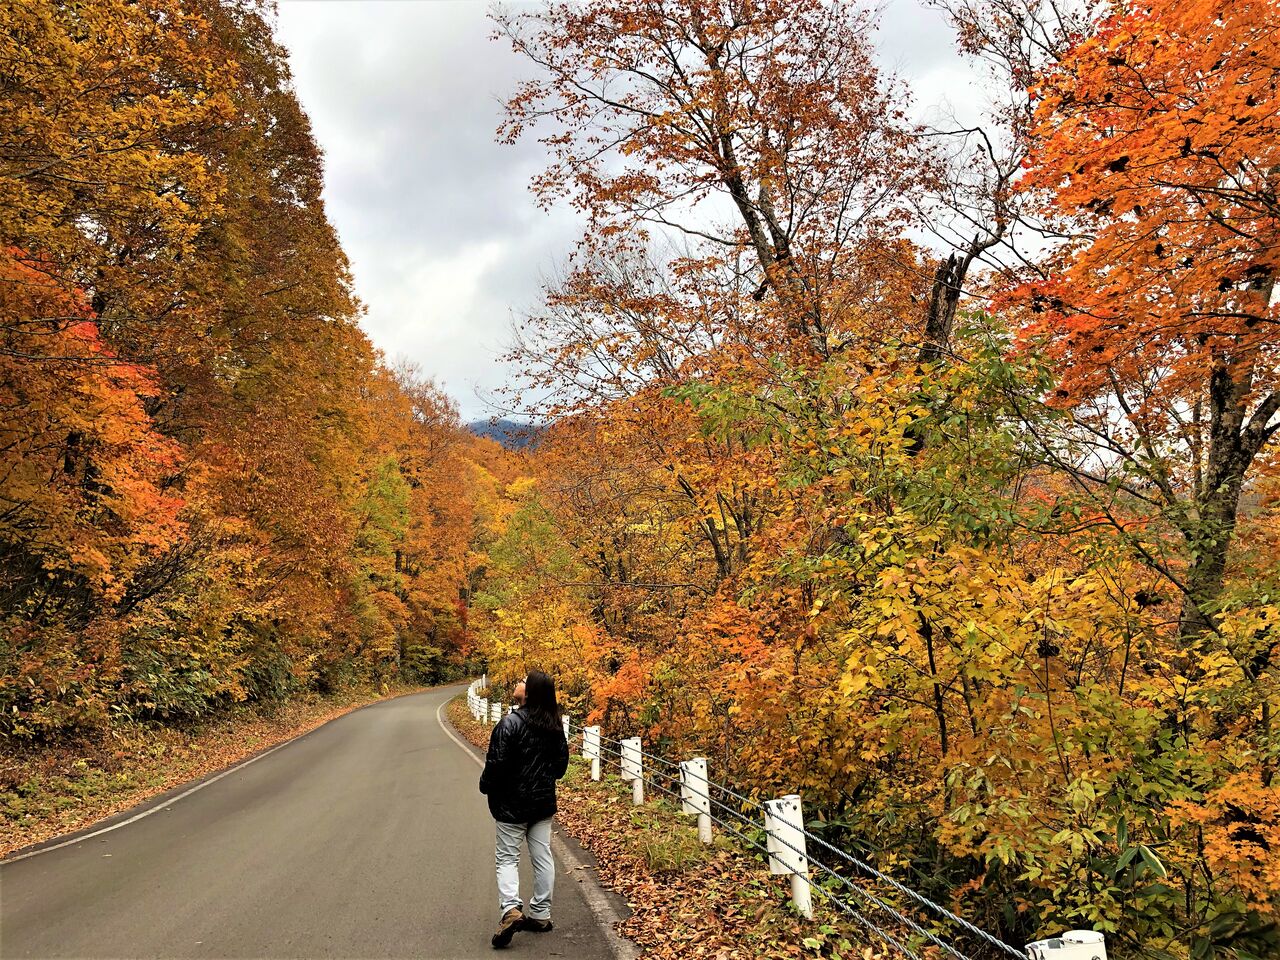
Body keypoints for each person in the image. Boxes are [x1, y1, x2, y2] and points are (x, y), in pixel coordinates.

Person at [478, 670, 569, 949]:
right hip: (541, 803)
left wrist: (486, 786)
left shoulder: (510, 724)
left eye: (523, 682)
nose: (518, 684)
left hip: (511, 804)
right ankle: (540, 914)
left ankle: (511, 910)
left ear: (528, 693)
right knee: (542, 855)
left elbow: (496, 764)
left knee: (507, 858)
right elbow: (560, 768)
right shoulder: (554, 726)